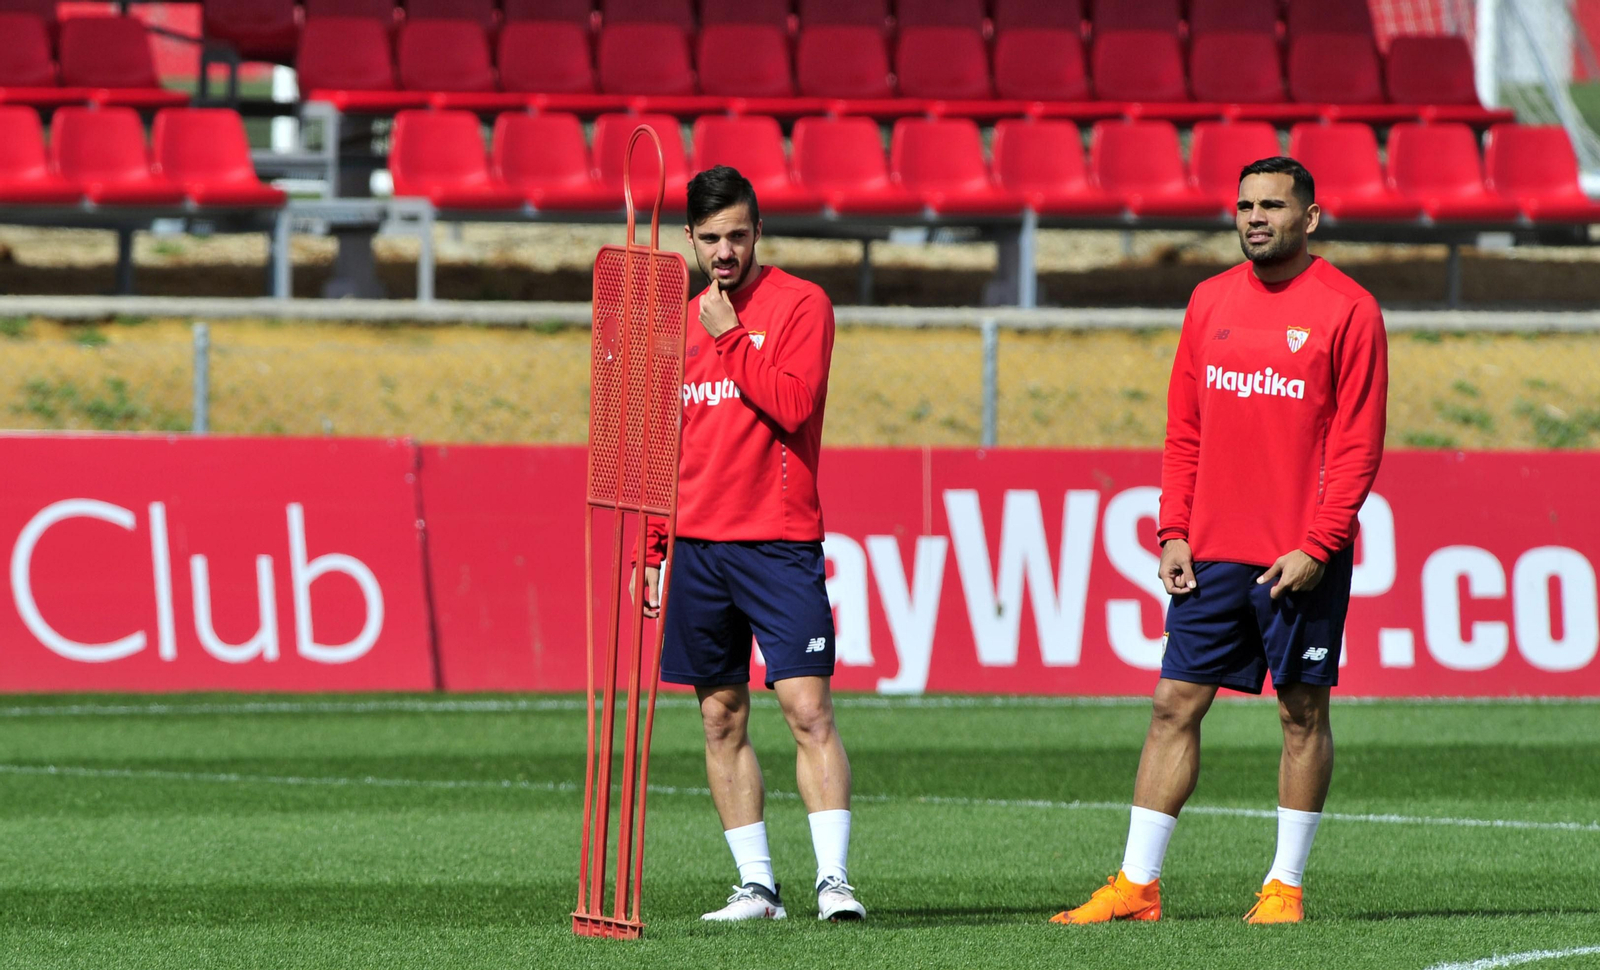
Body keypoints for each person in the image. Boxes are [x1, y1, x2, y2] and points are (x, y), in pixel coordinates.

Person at [1053, 156, 1388, 926]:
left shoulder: (1348, 310)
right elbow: (1185, 429)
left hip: (1298, 557)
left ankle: (1285, 889)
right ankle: (1137, 887)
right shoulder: (1208, 302)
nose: (1255, 217)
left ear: (1310, 217)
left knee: (1301, 713)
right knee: (1173, 704)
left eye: (1272, 205)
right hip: (1210, 552)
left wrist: (1319, 544)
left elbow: (1357, 447)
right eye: (1244, 205)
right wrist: (1174, 531)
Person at [636, 165, 863, 923]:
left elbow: (795, 404)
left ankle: (833, 882)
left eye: (737, 235)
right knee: (719, 716)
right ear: (691, 240)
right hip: (698, 545)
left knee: (807, 708)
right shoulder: (673, 319)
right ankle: (756, 887)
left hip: (777, 540)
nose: (724, 251)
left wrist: (730, 335)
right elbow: (669, 440)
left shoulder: (802, 305)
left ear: (758, 231)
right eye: (710, 238)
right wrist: (654, 546)